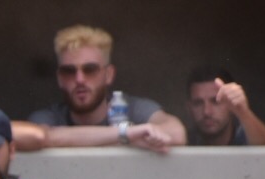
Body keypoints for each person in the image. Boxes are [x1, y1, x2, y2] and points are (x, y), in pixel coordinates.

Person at [30, 25, 186, 151]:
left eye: (90, 69)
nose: (79, 79)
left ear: (109, 75)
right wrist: (127, 135)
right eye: (69, 71)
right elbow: (41, 137)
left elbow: (176, 133)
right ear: (60, 78)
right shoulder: (49, 117)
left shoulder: (134, 109)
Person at [185, 66, 265, 146]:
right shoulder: (185, 141)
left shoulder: (248, 136)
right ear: (189, 108)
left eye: (216, 101)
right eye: (198, 103)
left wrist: (243, 112)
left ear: (231, 103)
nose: (207, 112)